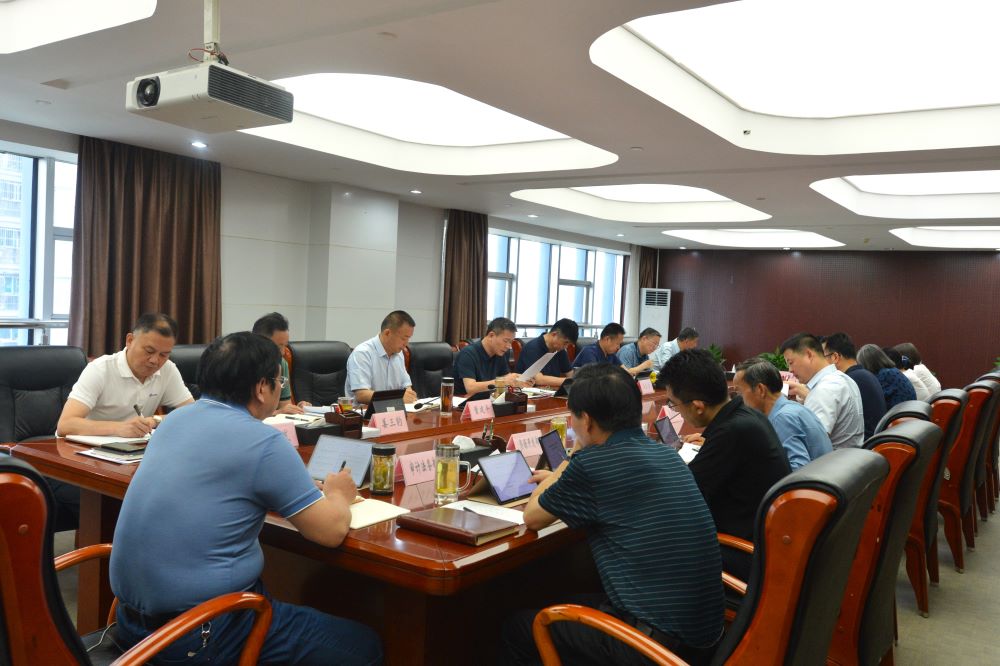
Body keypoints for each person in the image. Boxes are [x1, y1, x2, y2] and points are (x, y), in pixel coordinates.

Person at [109, 332, 383, 665]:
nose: (280, 389)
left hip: (129, 623)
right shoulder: (263, 442)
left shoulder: (173, 421)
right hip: (200, 633)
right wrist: (338, 494)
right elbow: (330, 531)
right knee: (364, 646)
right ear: (262, 388)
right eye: (279, 381)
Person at [500, 364, 724, 665]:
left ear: (586, 421)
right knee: (567, 597)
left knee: (518, 629)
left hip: (650, 647)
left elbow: (533, 517)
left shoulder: (592, 464)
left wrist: (572, 457)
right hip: (703, 639)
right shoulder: (666, 454)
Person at [659, 349, 791, 581]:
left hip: (741, 553)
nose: (674, 408)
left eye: (674, 403)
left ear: (698, 406)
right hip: (761, 540)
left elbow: (683, 499)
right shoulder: (746, 416)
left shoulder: (733, 432)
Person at [57, 312, 194, 437]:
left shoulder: (167, 369)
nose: (155, 360)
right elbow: (66, 425)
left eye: (163, 355)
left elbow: (192, 414)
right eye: (149, 351)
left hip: (134, 449)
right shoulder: (100, 369)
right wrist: (119, 428)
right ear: (130, 340)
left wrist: (154, 420)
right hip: (87, 449)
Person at [734, 358, 832, 470]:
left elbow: (797, 470)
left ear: (760, 389)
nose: (738, 399)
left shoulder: (782, 418)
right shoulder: (793, 408)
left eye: (739, 392)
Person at [780, 333, 865, 450]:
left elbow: (812, 445)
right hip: (850, 457)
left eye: (790, 362)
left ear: (809, 355)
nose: (790, 370)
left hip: (831, 460)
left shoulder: (824, 389)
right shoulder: (843, 378)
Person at [822, 332, 887, 439]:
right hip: (874, 441)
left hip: (864, 445)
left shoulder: (848, 381)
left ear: (835, 357)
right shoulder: (865, 374)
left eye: (824, 357)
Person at [345, 310, 417, 404]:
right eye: (403, 338)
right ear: (387, 333)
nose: (406, 344)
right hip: (364, 411)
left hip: (393, 411)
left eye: (408, 338)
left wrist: (410, 396)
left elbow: (406, 387)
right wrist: (396, 399)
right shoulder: (362, 353)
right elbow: (361, 395)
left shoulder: (399, 354)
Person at [453, 317, 533, 395]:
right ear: (491, 335)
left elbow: (506, 377)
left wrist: (520, 381)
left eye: (510, 342)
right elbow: (470, 388)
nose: (508, 346)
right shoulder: (467, 353)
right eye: (505, 341)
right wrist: (503, 381)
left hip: (490, 399)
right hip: (465, 401)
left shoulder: (500, 352)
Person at [252, 312, 312, 414]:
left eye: (285, 346)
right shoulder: (242, 364)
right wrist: (278, 412)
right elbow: (241, 413)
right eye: (278, 347)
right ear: (260, 342)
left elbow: (285, 405)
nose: (283, 352)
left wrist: (297, 409)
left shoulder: (281, 363)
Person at [513, 318, 578, 387]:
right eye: (566, 343)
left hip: (550, 391)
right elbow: (539, 380)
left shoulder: (560, 350)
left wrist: (574, 381)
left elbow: (570, 374)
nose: (566, 347)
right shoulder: (532, 348)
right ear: (554, 334)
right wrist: (571, 381)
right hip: (527, 391)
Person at [856, 344, 917, 409]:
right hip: (909, 410)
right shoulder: (892, 371)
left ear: (867, 364)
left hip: (900, 413)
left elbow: (872, 400)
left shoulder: (883, 375)